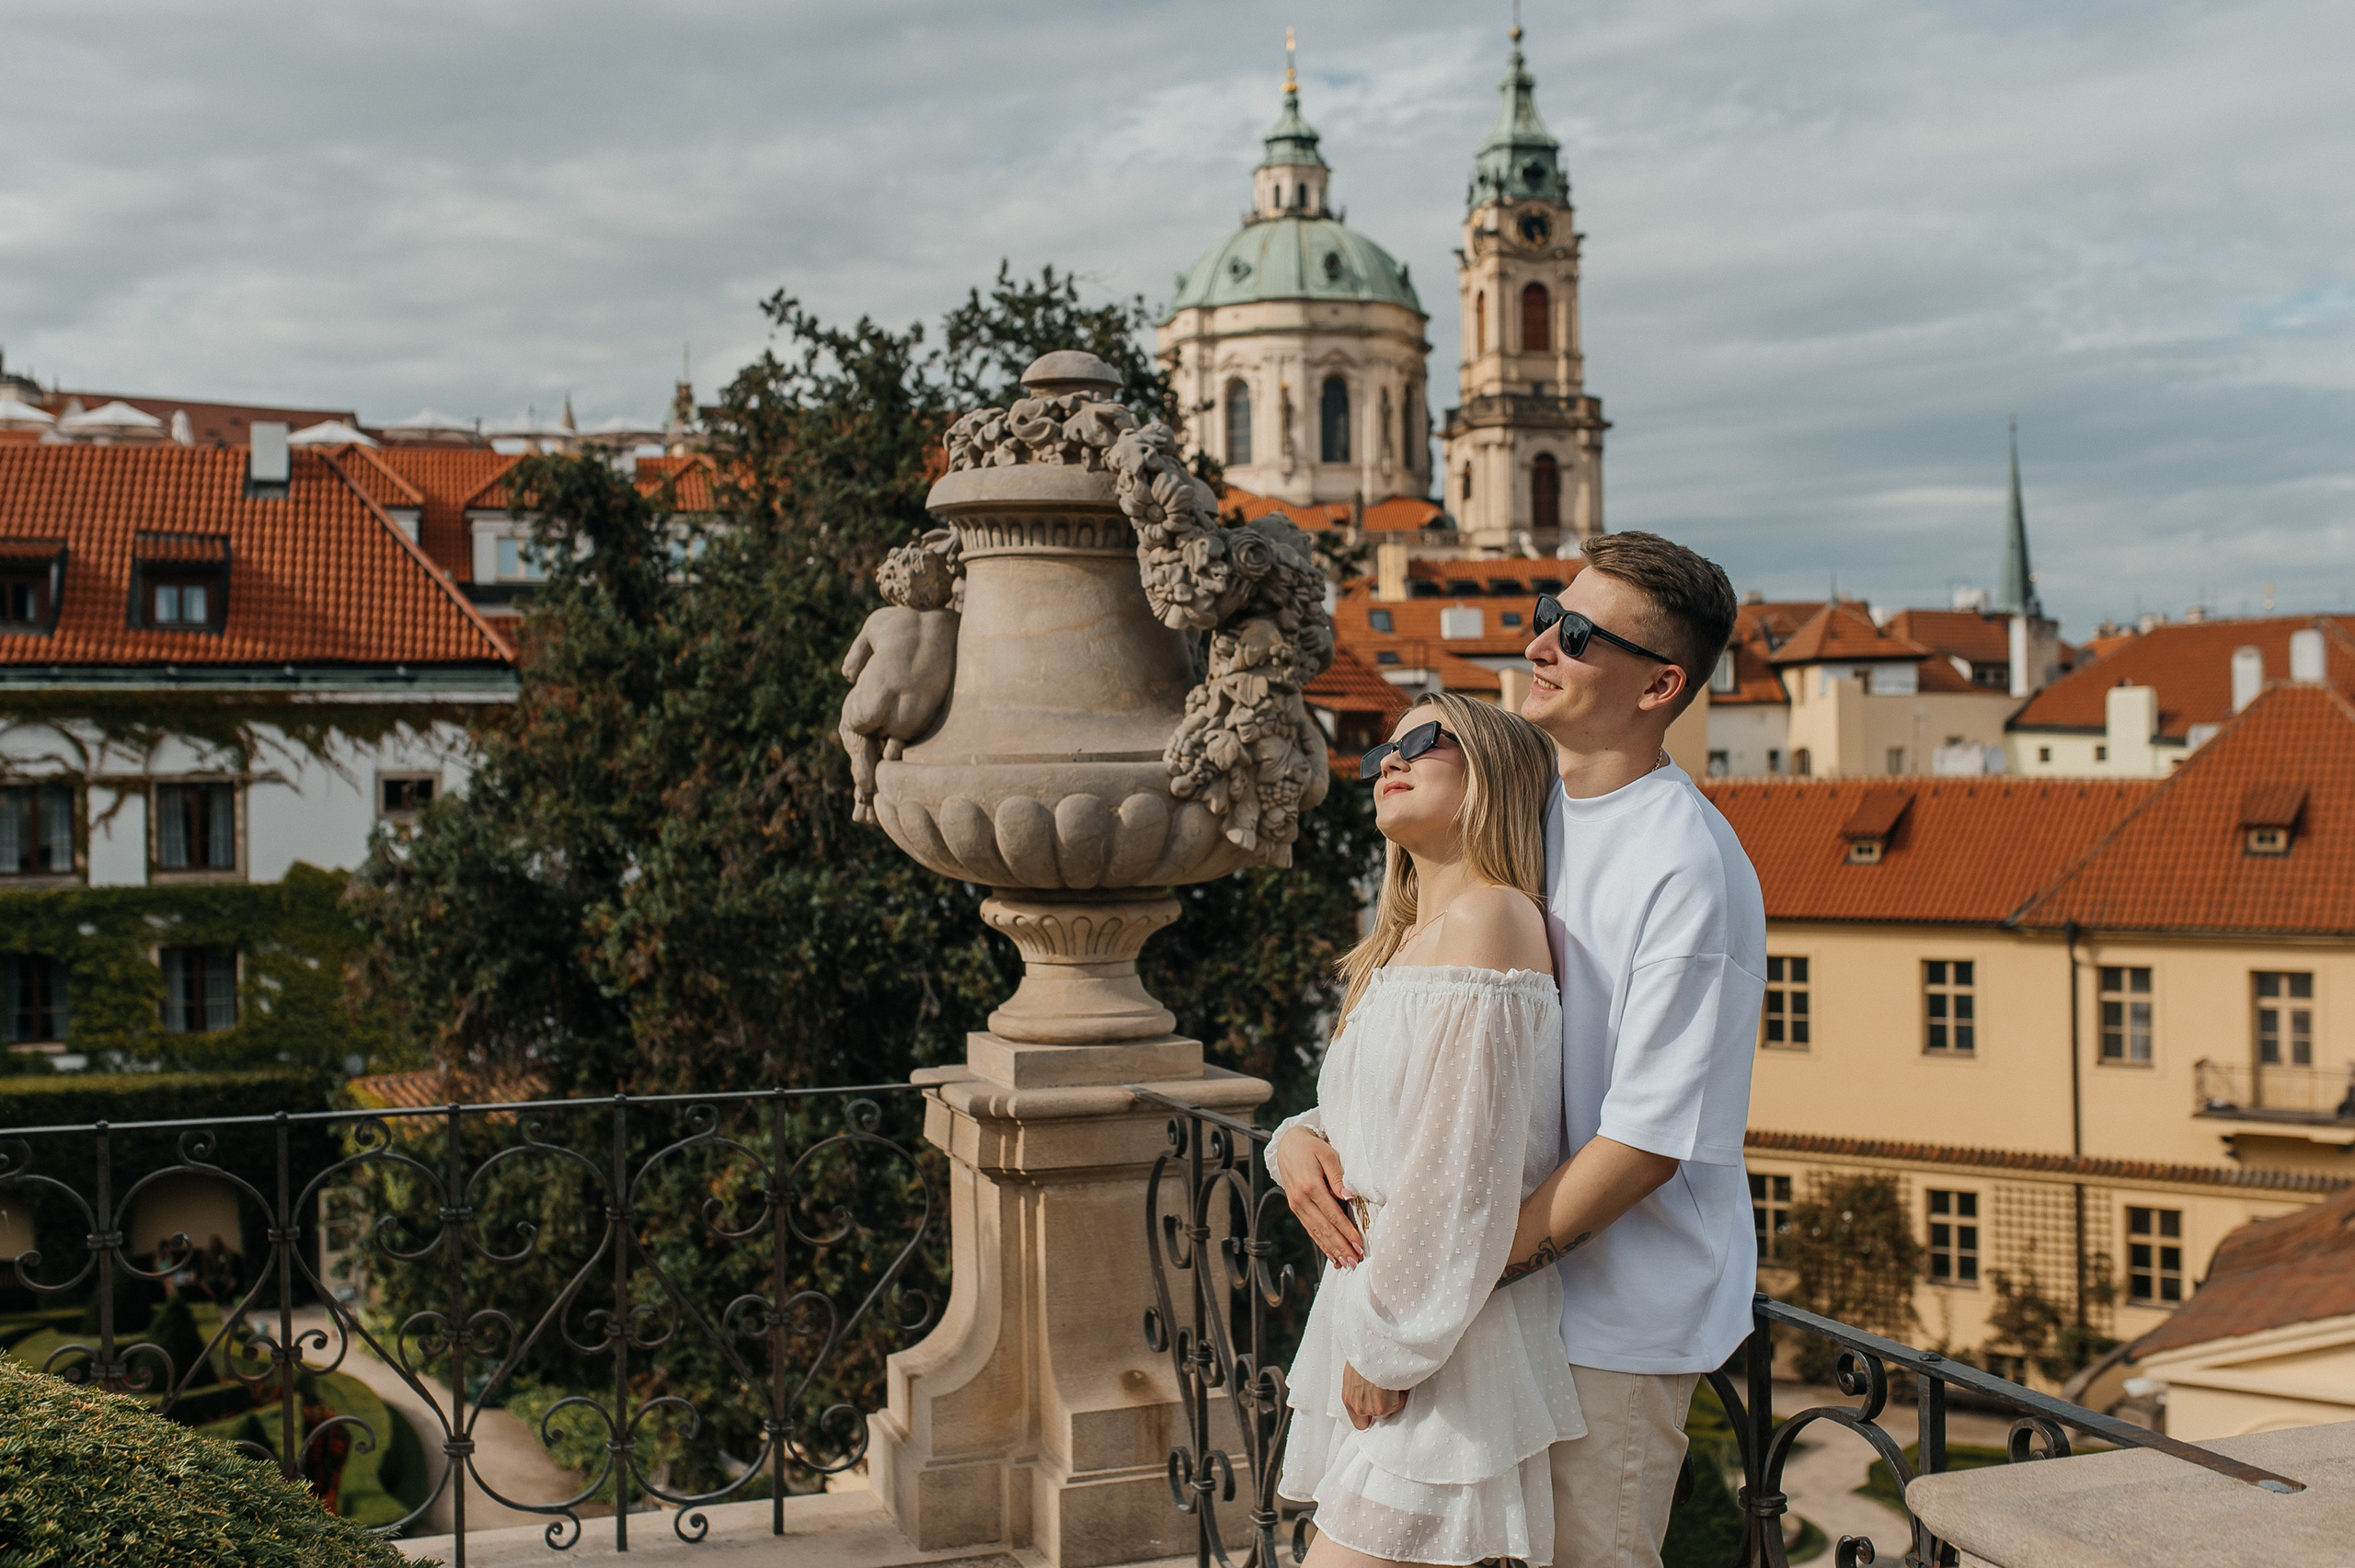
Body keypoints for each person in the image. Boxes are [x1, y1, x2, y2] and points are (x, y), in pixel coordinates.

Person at [1279, 532, 1762, 1568]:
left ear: (1659, 684)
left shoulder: (1684, 863)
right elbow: (1444, 1062)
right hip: (1486, 1312)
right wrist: (1303, 1133)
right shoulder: (1529, 812)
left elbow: (1644, 1144)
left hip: (1605, 1329)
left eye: (1578, 633)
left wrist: (1418, 1308)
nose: (1541, 640)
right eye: (1548, 609)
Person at [1269, 691, 1586, 1568]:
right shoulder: (1403, 944)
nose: (1387, 761)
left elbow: (1459, 1172)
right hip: (1383, 1309)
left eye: (1418, 739)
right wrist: (1292, 1139)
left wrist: (1390, 1347)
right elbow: (1370, 1118)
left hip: (1435, 1335)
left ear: (1490, 768)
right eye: (1379, 752)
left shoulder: (1492, 920)